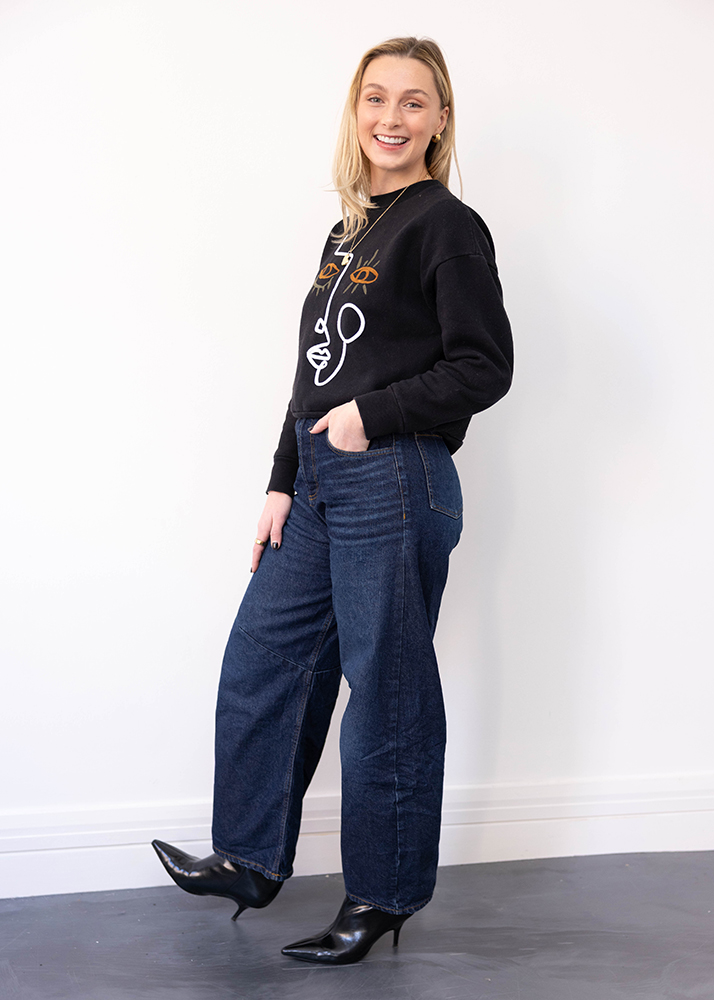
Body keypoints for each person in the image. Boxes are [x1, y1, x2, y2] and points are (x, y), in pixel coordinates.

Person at [152, 35, 513, 965]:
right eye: (375, 98)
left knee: (386, 690)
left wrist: (369, 417)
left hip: (395, 474)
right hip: (319, 483)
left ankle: (383, 895)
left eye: (413, 101)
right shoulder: (346, 233)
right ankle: (250, 858)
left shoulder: (446, 225)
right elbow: (313, 373)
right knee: (264, 658)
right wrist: (282, 479)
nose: (391, 117)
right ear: (356, 113)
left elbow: (485, 365)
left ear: (440, 120)